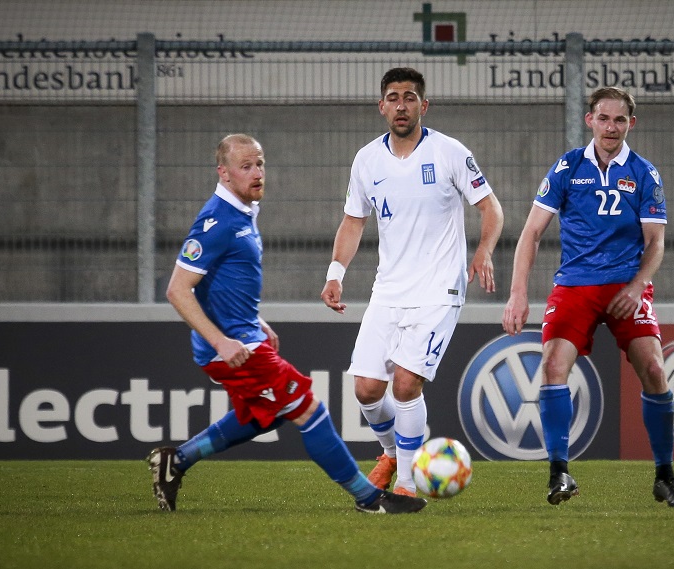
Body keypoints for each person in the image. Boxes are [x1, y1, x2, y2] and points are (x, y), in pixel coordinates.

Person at [146, 133, 427, 515]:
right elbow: (178, 290)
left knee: (266, 414)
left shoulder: (243, 212)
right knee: (309, 407)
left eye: (259, 163)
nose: (257, 173)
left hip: (247, 337)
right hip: (235, 348)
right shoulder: (217, 221)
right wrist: (221, 342)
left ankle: (177, 460)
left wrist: (256, 321)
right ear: (224, 173)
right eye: (246, 167)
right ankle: (369, 497)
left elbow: (219, 280)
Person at [502, 87, 674, 507]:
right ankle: (560, 474)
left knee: (657, 372)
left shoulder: (645, 173)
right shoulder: (568, 167)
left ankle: (665, 476)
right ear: (590, 120)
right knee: (553, 367)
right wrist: (518, 293)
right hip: (575, 284)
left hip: (627, 284)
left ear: (631, 124)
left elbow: (655, 242)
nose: (611, 127)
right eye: (603, 118)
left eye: (620, 120)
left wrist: (638, 285)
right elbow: (531, 233)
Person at [320, 68, 504, 496]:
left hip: (439, 289)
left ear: (424, 105)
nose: (401, 105)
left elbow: (491, 208)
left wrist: (483, 251)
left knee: (405, 383)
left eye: (409, 97)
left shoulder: (450, 152)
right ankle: (390, 452)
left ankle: (405, 484)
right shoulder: (367, 160)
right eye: (393, 97)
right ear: (381, 106)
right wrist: (335, 274)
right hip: (388, 289)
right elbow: (353, 220)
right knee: (366, 390)